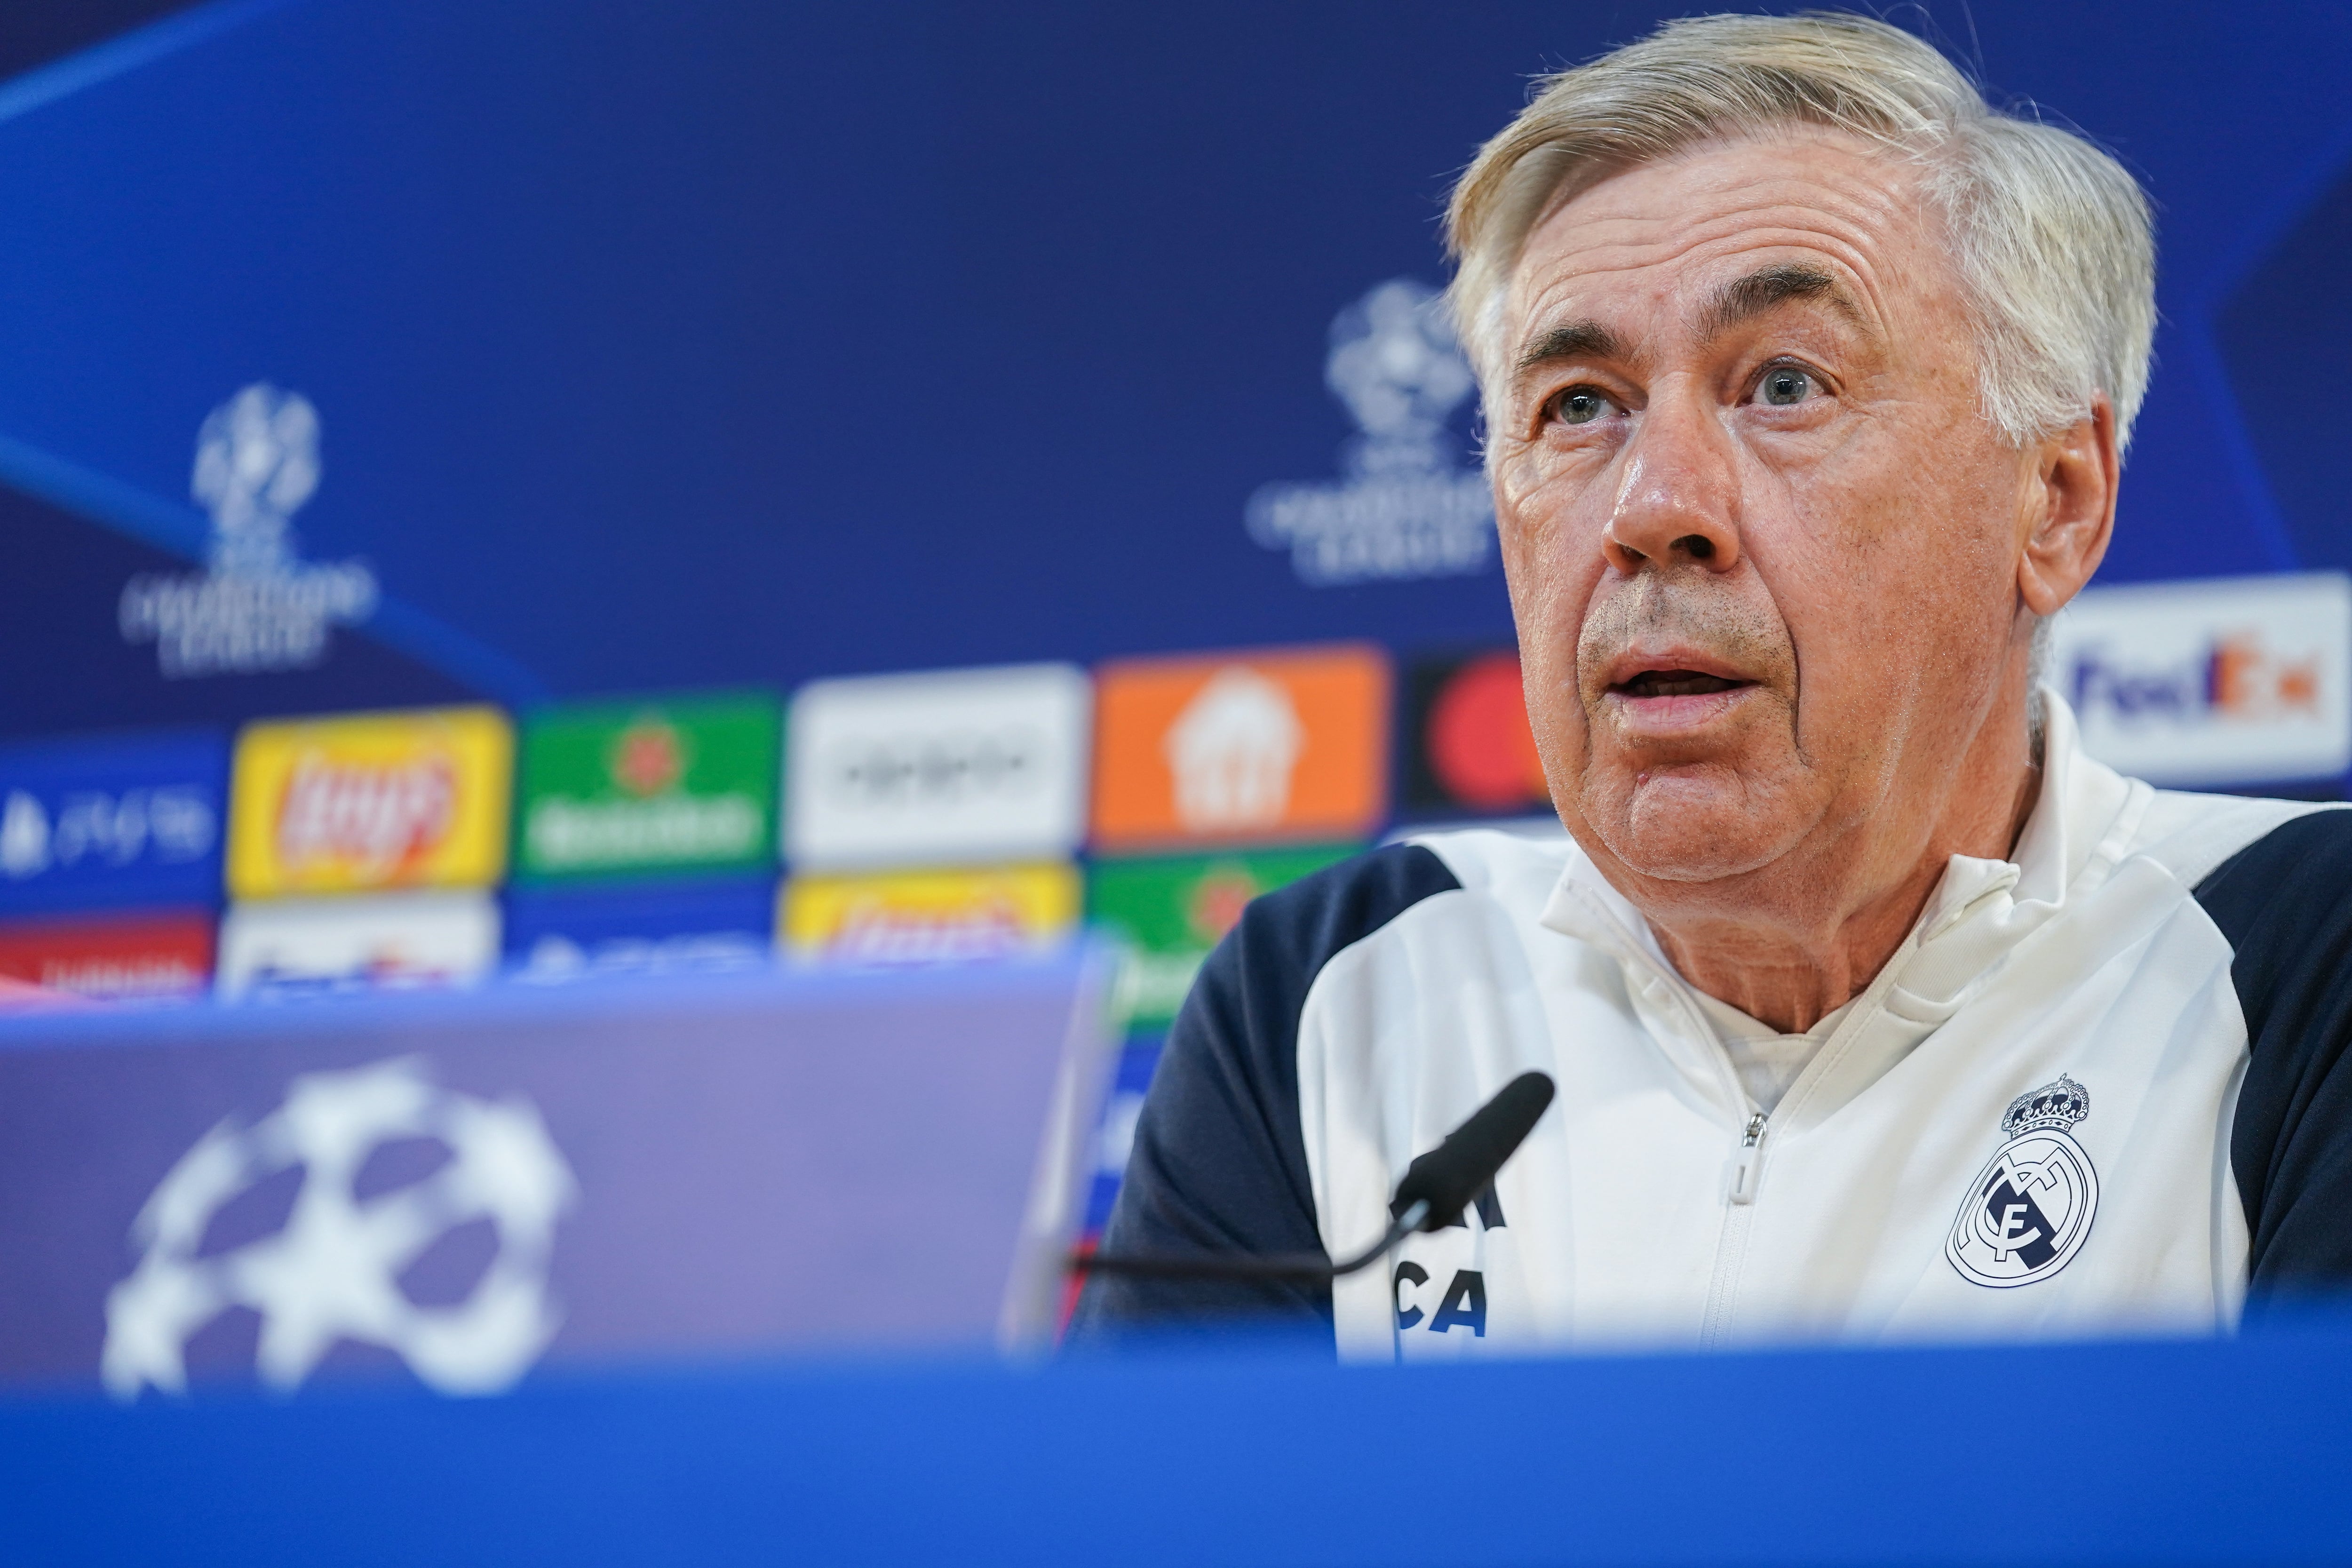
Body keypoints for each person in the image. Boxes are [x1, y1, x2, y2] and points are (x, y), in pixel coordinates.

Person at [1069, 11, 2352, 1359]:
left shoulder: (2298, 962)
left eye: (1785, 384)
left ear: (2057, 503)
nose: (1655, 506)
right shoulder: (1333, 994)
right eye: (1578, 405)